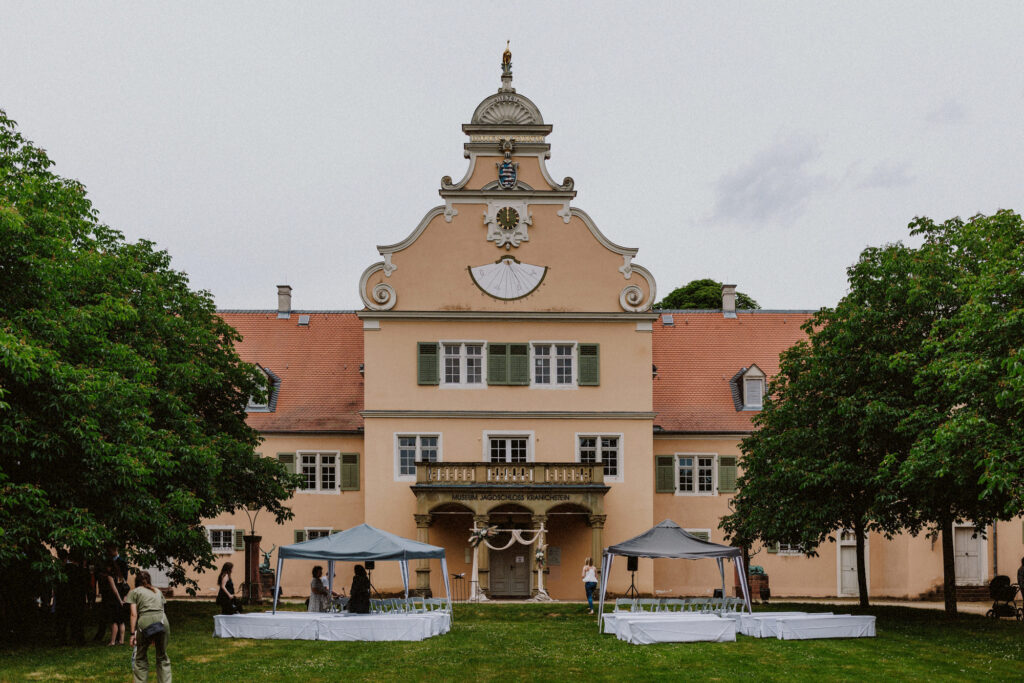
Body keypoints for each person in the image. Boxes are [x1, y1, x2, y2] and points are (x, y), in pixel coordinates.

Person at [126, 570, 171, 683]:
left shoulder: (134, 592)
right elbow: (162, 609)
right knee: (162, 656)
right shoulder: (157, 591)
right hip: (162, 621)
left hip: (144, 622)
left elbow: (133, 614)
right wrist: (156, 633)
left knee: (140, 657)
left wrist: (132, 634)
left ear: (137, 581)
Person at [98, 561, 126, 645]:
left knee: (114, 621)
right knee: (121, 621)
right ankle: (121, 640)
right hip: (122, 600)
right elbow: (126, 588)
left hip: (114, 601)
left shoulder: (110, 577)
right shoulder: (121, 577)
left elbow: (115, 590)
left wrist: (119, 600)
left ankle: (113, 641)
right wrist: (124, 599)